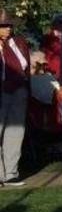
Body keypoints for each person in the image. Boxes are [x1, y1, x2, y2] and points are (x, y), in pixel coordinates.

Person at [1, 10, 32, 186]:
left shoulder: (18, 42)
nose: (7, 30)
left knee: (15, 132)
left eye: (9, 26)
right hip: (2, 89)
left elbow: (25, 66)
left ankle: (11, 173)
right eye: (3, 26)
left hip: (19, 89)